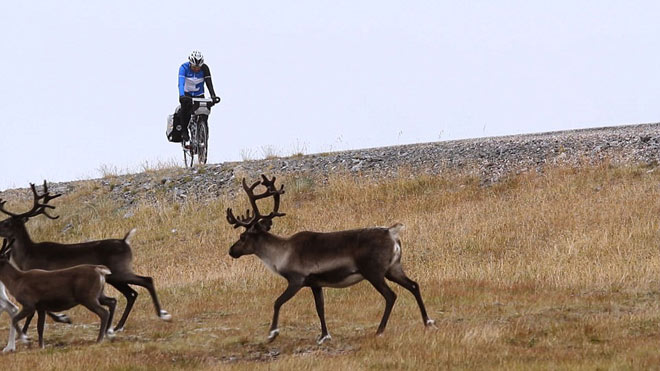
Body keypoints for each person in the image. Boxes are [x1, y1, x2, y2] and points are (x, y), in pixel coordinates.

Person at [175, 50, 219, 141]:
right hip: (187, 94)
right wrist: (181, 95)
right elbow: (181, 83)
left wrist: (213, 95)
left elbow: (209, 83)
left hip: (199, 95)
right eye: (194, 67)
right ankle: (184, 130)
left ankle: (203, 136)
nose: (196, 69)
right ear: (190, 63)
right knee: (185, 110)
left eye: (198, 67)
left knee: (204, 114)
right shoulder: (184, 68)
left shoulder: (205, 68)